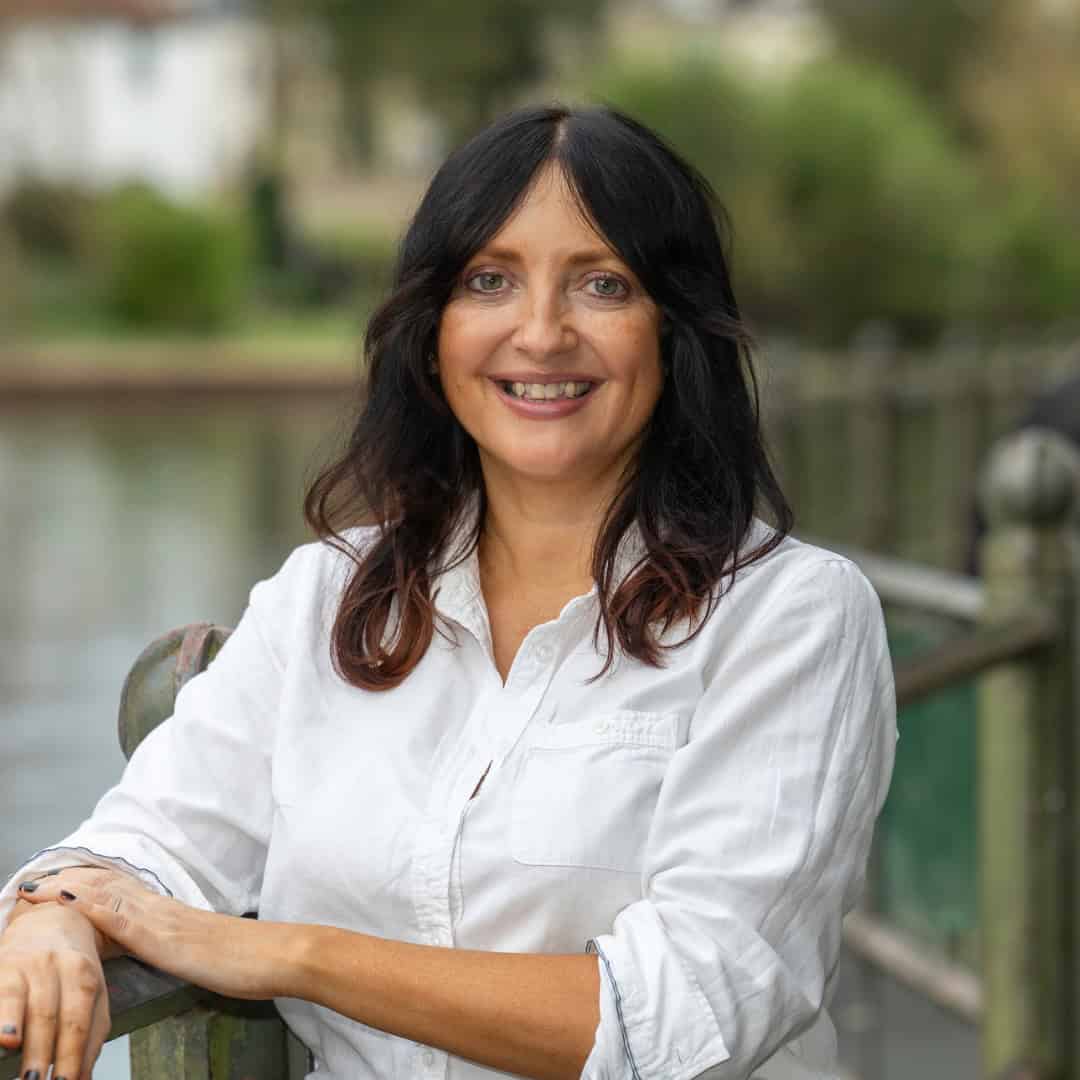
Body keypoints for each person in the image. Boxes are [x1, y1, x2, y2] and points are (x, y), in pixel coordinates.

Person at [0, 104, 897, 1080]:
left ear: (673, 330)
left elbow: (680, 1015)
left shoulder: (790, 619)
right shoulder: (329, 596)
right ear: (434, 332)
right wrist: (54, 920)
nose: (542, 333)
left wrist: (287, 954)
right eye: (490, 281)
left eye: (602, 284)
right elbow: (147, 842)